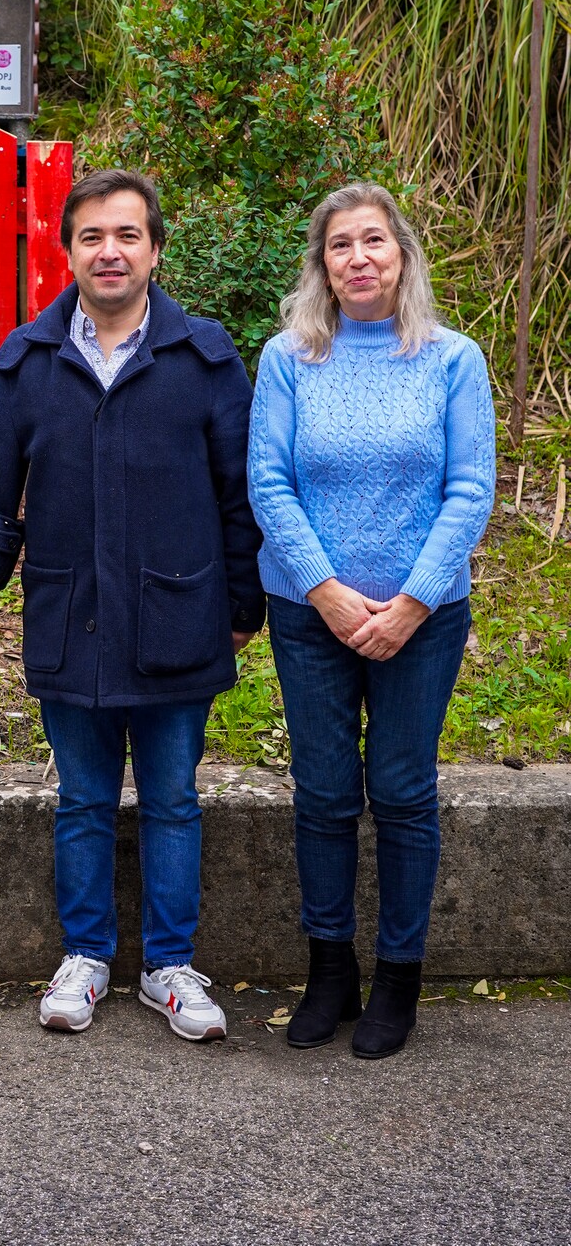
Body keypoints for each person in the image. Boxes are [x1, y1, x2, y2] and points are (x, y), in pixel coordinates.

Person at [0, 169, 264, 1039]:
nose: (110, 251)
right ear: (68, 251)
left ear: (156, 250)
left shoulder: (204, 358)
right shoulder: (28, 359)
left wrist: (241, 603)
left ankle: (170, 967)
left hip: (179, 617)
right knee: (84, 801)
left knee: (172, 798)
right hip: (72, 617)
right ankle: (86, 958)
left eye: (128, 235)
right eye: (92, 236)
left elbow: (239, 492)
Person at [248, 182, 495, 1060]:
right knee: (320, 792)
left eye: (374, 243)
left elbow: (470, 490)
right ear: (321, 263)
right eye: (340, 246)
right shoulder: (288, 358)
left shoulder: (452, 359)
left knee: (401, 790)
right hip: (309, 611)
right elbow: (268, 483)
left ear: (401, 256)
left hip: (422, 617)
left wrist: (414, 601)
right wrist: (326, 590)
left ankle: (398, 979)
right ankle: (329, 973)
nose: (358, 259)